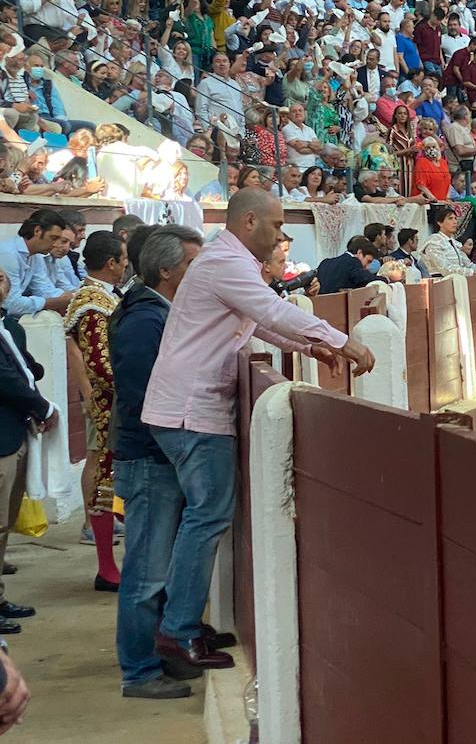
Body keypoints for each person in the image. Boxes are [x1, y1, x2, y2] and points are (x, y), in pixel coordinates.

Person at [141, 189, 375, 676]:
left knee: (203, 517)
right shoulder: (227, 263)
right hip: (192, 409)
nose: (279, 235)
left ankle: (182, 622)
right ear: (249, 222)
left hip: (185, 406)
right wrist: (339, 339)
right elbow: (270, 313)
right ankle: (178, 628)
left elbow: (258, 321)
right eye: (274, 225)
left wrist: (310, 349)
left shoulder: (227, 262)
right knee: (206, 518)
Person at [111, 226, 207, 701]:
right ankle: (140, 672)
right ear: (168, 271)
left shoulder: (151, 312)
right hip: (149, 458)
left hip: (153, 454)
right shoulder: (143, 320)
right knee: (147, 574)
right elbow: (141, 395)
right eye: (191, 265)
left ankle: (158, 657)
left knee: (156, 570)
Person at [63, 230, 128, 593]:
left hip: (108, 401)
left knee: (110, 477)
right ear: (111, 263)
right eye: (122, 259)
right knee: (106, 479)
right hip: (109, 403)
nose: (125, 265)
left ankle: (110, 566)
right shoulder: (92, 302)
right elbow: (101, 363)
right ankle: (106, 568)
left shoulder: (97, 298)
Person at [0, 271, 59, 637]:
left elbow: (20, 369)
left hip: (11, 430)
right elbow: (3, 379)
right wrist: (42, 406)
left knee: (3, 524)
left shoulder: (6, 326)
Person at [418, 206, 476, 279]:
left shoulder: (455, 243)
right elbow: (446, 269)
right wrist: (473, 273)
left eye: (455, 218)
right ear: (440, 223)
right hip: (439, 284)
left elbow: (468, 265)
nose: (455, 222)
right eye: (450, 218)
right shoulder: (434, 242)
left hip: (458, 282)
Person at [315, 235, 384, 295]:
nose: (367, 266)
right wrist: (386, 279)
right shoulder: (353, 262)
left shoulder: (325, 262)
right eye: (368, 261)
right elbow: (364, 278)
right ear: (359, 253)